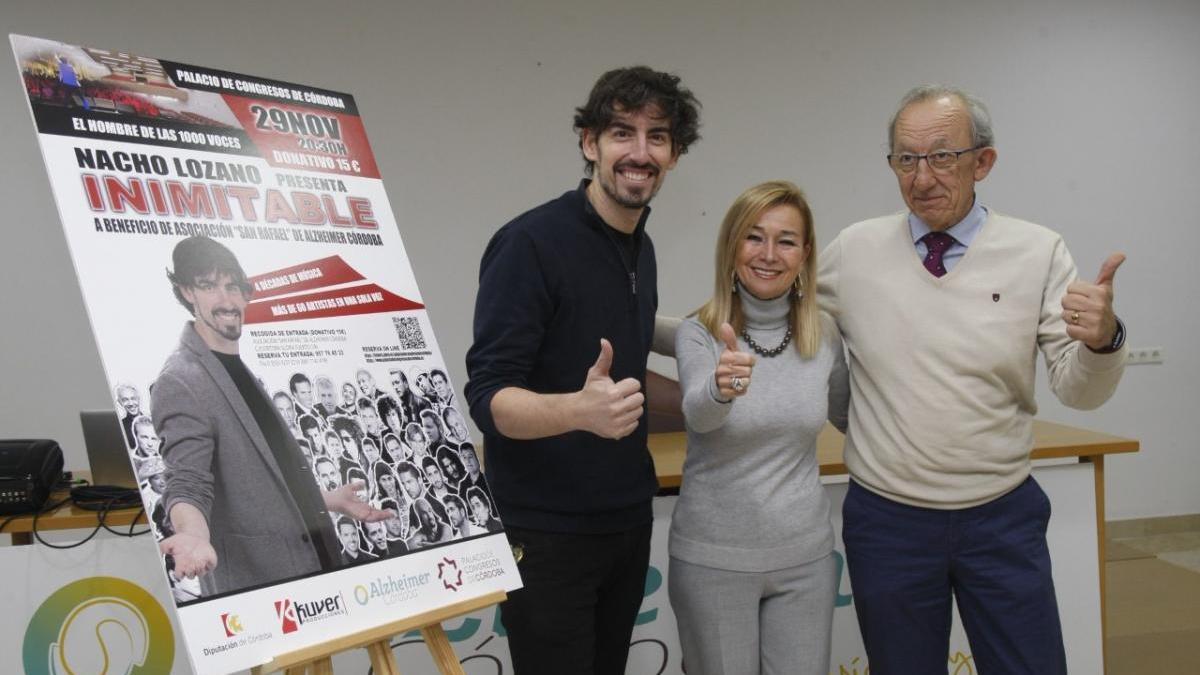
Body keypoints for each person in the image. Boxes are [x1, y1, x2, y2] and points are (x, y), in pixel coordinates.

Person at [817, 85, 1127, 673]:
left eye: (942, 156)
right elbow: (768, 313)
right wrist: (644, 326)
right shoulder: (853, 251)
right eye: (905, 159)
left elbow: (1079, 391)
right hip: (888, 521)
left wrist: (1103, 340)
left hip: (1001, 515)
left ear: (982, 161)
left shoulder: (1037, 250)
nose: (922, 176)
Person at [464, 64, 701, 675]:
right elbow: (489, 400)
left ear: (674, 154)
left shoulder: (639, 248)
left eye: (657, 137)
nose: (639, 152)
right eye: (623, 132)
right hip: (546, 534)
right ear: (590, 142)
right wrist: (577, 410)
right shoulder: (530, 244)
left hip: (624, 519)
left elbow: (622, 382)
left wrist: (709, 395)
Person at [667, 181, 848, 675]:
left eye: (786, 240)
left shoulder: (824, 332)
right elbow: (699, 414)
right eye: (754, 237)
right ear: (731, 246)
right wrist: (722, 387)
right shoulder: (699, 331)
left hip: (806, 561)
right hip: (713, 562)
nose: (769, 254)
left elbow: (852, 416)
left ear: (804, 254)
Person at [152, 236, 391, 598]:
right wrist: (193, 536)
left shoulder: (229, 364)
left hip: (311, 559)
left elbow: (253, 481)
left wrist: (323, 500)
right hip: (263, 586)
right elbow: (187, 480)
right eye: (209, 286)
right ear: (187, 292)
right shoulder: (180, 380)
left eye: (233, 286)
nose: (227, 300)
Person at [114, 383, 144, 450]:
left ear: (138, 399)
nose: (131, 403)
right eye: (125, 400)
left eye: (133, 398)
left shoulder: (153, 420)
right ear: (120, 403)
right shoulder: (119, 428)